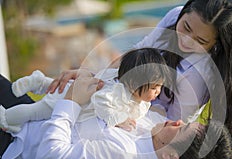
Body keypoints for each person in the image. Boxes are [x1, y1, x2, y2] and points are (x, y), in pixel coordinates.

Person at [47, 0, 232, 150]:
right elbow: (136, 53)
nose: (185, 41)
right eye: (185, 27)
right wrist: (95, 77)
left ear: (215, 45)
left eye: (200, 42)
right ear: (184, 12)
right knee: (63, 94)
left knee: (73, 120)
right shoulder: (174, 15)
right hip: (128, 98)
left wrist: (120, 116)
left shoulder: (200, 77)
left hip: (145, 124)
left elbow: (168, 125)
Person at [0, 75, 232, 159]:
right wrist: (86, 80)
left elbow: (50, 155)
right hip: (28, 117)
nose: (176, 121)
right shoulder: (153, 132)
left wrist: (71, 101)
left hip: (12, 147)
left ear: (171, 157)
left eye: (182, 128)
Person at [0, 48, 171, 132]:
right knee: (36, 111)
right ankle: (6, 118)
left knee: (59, 87)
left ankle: (40, 81)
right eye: (155, 88)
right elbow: (100, 101)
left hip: (77, 91)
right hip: (69, 101)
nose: (158, 92)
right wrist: (118, 119)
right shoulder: (117, 92)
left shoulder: (123, 79)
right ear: (134, 84)